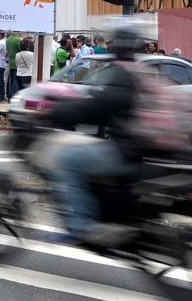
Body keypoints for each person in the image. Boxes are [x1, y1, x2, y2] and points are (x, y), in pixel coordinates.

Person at [49, 23, 144, 245]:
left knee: (68, 159)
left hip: (125, 149)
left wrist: (58, 112)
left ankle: (80, 226)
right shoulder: (135, 70)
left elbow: (97, 107)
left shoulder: (122, 74)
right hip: (133, 145)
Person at [6, 31, 22, 99]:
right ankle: (14, 97)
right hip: (17, 62)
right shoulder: (18, 39)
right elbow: (22, 49)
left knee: (11, 80)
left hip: (10, 61)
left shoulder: (8, 39)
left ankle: (10, 96)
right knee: (15, 81)